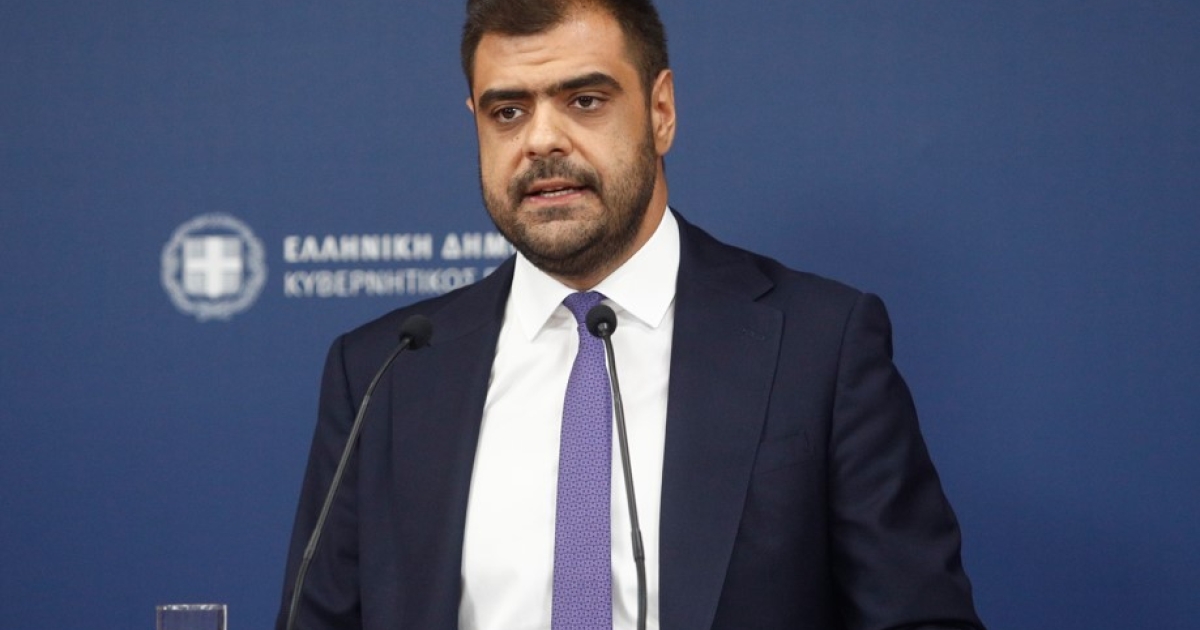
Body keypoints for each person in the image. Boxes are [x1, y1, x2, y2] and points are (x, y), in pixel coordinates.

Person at [277, 0, 985, 628]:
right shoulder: (385, 371)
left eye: (584, 100)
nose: (541, 141)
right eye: (508, 112)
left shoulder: (818, 345)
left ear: (661, 111)